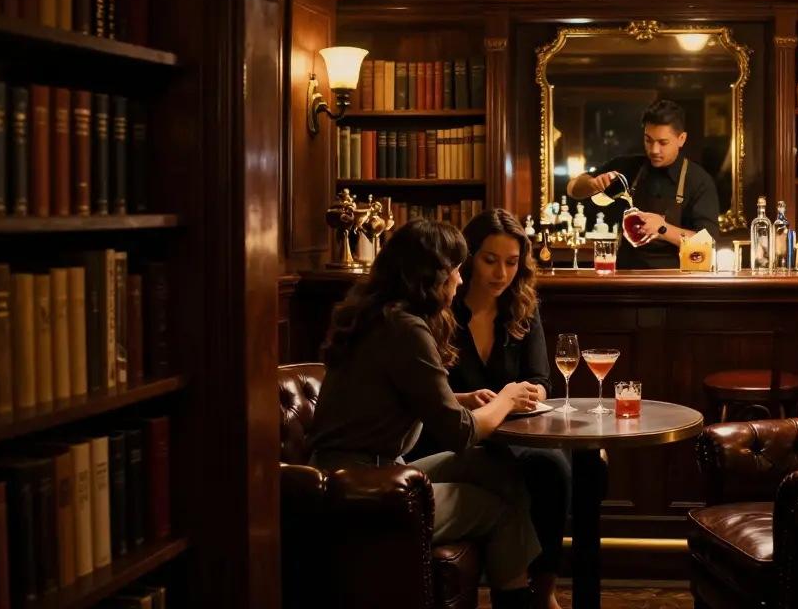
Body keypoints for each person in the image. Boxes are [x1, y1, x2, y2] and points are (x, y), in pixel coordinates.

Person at [308, 218, 544, 609]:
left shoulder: (381, 314)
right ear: (429, 276)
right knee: (497, 509)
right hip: (364, 490)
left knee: (499, 467)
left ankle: (519, 592)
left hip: (367, 471)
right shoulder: (406, 328)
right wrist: (506, 399)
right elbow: (461, 434)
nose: (460, 280)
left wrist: (461, 398)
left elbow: (398, 395)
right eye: (454, 270)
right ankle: (519, 599)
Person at [453, 208, 571, 609]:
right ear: (468, 258)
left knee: (555, 467)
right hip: (455, 434)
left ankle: (545, 589)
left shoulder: (522, 305)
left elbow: (541, 381)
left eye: (511, 262)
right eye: (490, 260)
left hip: (514, 429)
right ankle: (513, 589)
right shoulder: (442, 307)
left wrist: (526, 394)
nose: (501, 273)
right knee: (516, 470)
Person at [566, 98, 720, 269]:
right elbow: (573, 189)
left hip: (675, 281)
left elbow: (708, 242)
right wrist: (593, 184)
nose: (654, 150)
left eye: (663, 143)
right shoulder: (628, 168)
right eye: (648, 140)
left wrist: (663, 229)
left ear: (681, 139)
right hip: (626, 277)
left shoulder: (698, 181)